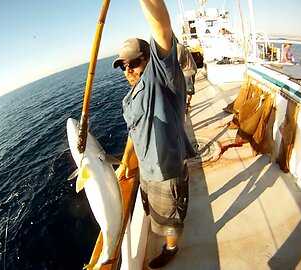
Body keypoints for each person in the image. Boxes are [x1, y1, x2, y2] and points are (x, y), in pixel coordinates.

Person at [112, 0, 195, 268]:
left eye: (134, 63)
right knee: (156, 215)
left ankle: (172, 249)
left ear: (149, 59)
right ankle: (167, 239)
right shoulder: (130, 97)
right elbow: (133, 132)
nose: (128, 70)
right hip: (147, 172)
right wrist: (126, 162)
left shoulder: (162, 77)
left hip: (167, 171)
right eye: (123, 66)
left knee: (171, 220)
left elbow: (161, 26)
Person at [177, 42, 198, 113]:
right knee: (186, 90)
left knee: (188, 91)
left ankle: (187, 105)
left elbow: (178, 62)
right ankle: (186, 105)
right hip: (186, 71)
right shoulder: (179, 47)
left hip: (188, 72)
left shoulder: (178, 47)